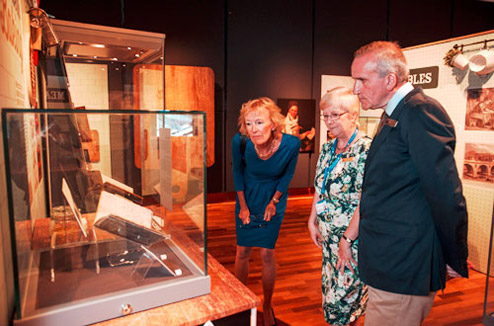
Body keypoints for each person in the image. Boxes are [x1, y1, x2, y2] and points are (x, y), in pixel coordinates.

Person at [350, 41, 469, 326]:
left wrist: (454, 254)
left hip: (403, 267)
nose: (355, 89)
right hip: (388, 261)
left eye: (361, 80)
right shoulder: (396, 112)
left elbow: (445, 194)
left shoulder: (419, 112)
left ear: (390, 79)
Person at [232, 97, 300, 326]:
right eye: (249, 123)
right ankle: (239, 302)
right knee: (242, 251)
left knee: (266, 254)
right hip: (248, 196)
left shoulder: (291, 144)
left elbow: (287, 175)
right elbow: (238, 174)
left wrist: (274, 202)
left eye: (259, 122)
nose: (254, 129)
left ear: (273, 123)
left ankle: (268, 305)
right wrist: (243, 206)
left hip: (274, 198)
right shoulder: (240, 142)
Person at [308, 87, 371, 326]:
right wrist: (312, 220)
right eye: (325, 115)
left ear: (354, 115)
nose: (328, 121)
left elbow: (366, 202)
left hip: (351, 242)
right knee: (332, 296)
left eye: (335, 115)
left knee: (343, 302)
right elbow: (319, 188)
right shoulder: (328, 148)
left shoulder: (365, 150)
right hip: (329, 241)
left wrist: (346, 240)